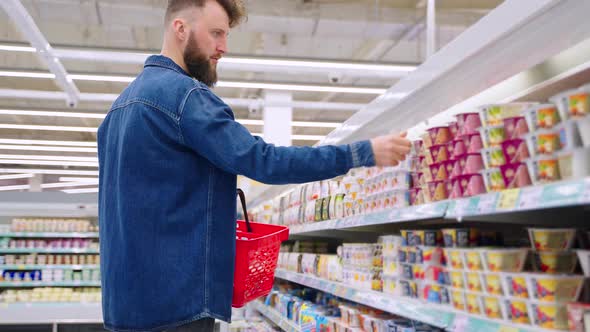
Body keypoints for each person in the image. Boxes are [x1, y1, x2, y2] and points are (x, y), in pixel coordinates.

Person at [97, 0, 411, 331]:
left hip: (125, 309)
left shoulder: (116, 112)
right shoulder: (185, 97)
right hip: (175, 307)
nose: (223, 48)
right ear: (180, 29)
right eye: (216, 33)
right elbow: (265, 161)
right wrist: (362, 153)